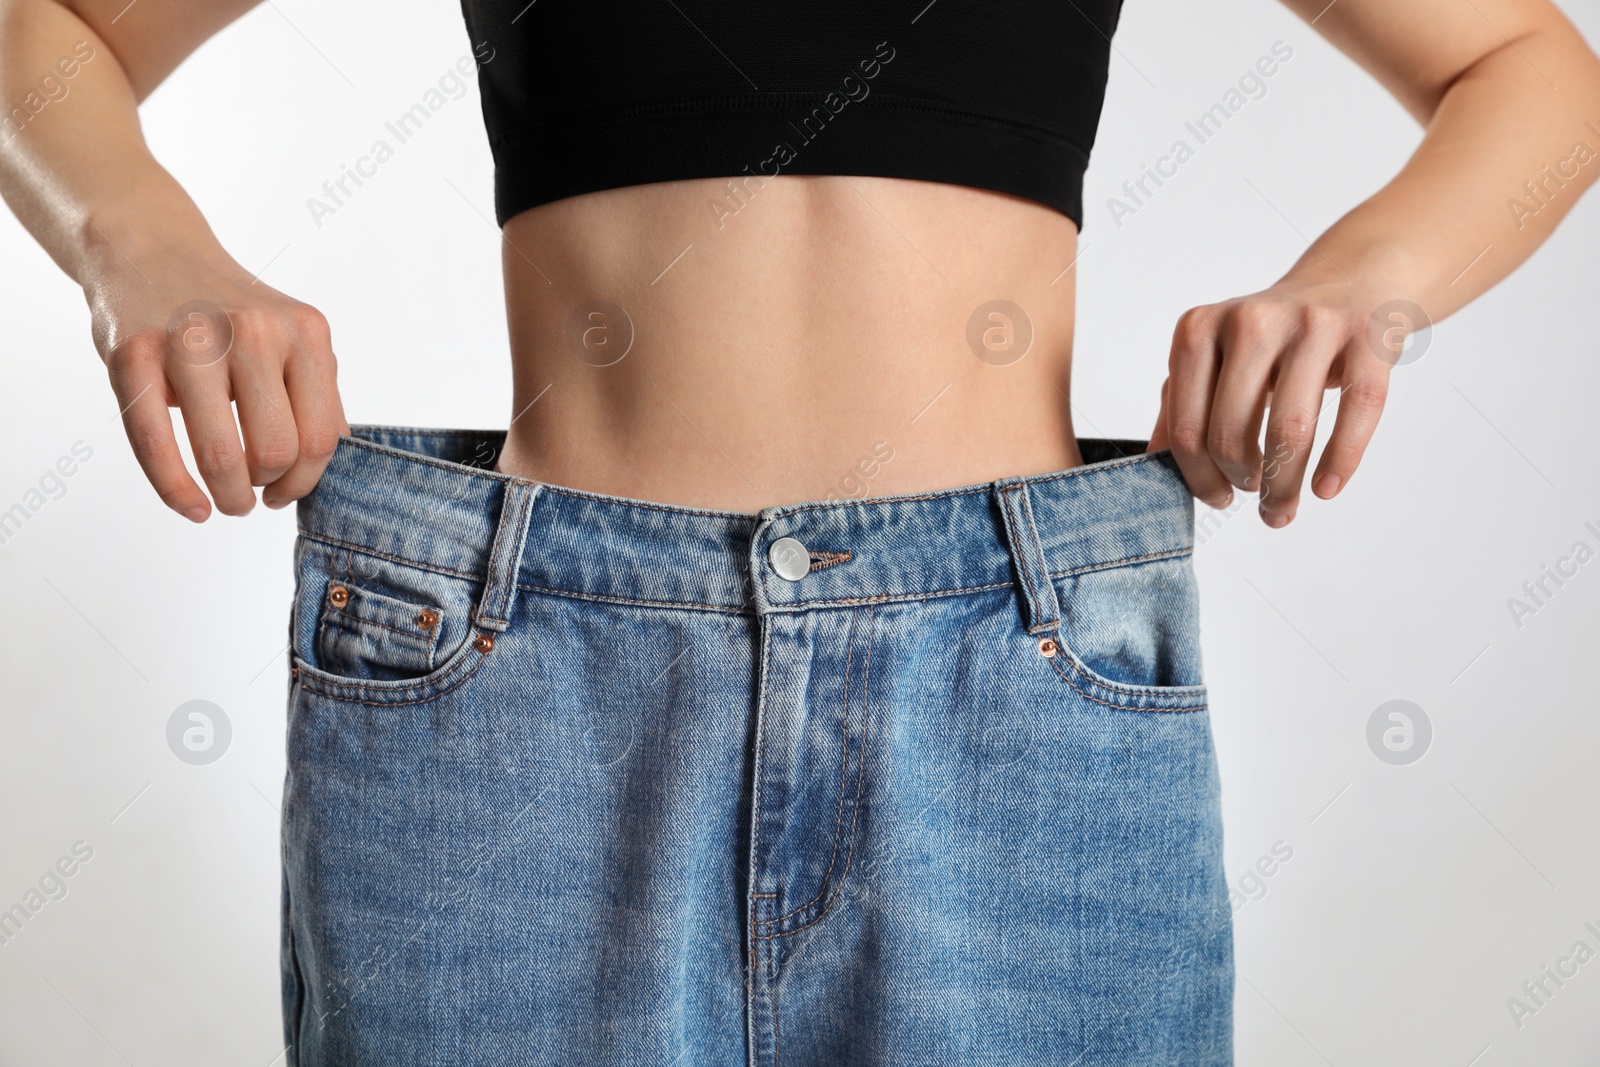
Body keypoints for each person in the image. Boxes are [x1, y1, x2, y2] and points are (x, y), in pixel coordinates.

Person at [3, 0, 1597, 1063]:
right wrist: (145, 249)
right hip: (528, 698)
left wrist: (1366, 277)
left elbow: (1533, 73)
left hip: (1018, 683)